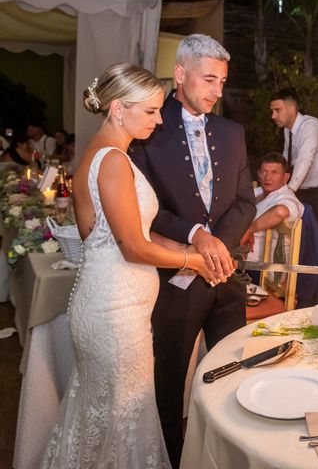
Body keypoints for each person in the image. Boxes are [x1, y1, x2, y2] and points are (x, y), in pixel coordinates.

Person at [40, 63, 215, 467]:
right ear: (118, 108)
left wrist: (186, 247)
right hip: (114, 316)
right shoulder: (114, 161)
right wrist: (193, 260)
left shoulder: (101, 155)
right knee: (125, 416)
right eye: (151, 110)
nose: (159, 118)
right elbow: (133, 247)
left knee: (105, 414)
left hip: (109, 305)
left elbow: (121, 233)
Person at [129, 34, 255, 467]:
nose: (217, 91)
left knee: (233, 374)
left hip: (228, 279)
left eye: (222, 81)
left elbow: (245, 201)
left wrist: (218, 248)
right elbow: (146, 208)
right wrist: (197, 235)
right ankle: (171, 458)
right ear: (180, 74)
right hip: (176, 281)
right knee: (168, 380)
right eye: (209, 79)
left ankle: (231, 454)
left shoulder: (232, 132)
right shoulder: (147, 127)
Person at [269, 87, 318, 243]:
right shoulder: (288, 130)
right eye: (272, 111)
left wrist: (289, 190)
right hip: (304, 192)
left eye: (277, 110)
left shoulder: (310, 126)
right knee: (299, 240)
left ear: (291, 108)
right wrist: (276, 184)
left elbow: (304, 160)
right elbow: (286, 161)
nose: (273, 116)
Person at [240, 152, 304, 281]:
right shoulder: (257, 192)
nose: (267, 177)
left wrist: (249, 230)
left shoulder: (286, 198)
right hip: (241, 261)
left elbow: (281, 211)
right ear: (258, 174)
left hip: (260, 271)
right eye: (264, 171)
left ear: (285, 178)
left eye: (274, 172)